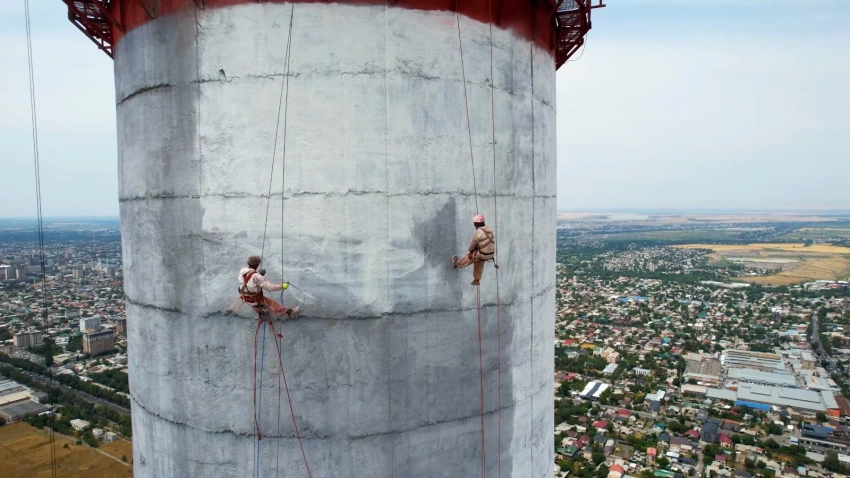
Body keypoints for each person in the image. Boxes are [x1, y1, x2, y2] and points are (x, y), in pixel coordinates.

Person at [452, 214, 495, 285]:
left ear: (477, 224)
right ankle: (476, 280)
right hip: (490, 255)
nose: (474, 225)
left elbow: (473, 244)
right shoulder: (489, 230)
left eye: (474, 224)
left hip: (482, 254)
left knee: (472, 257)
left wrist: (471, 251)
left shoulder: (478, 232)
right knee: (480, 261)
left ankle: (457, 263)